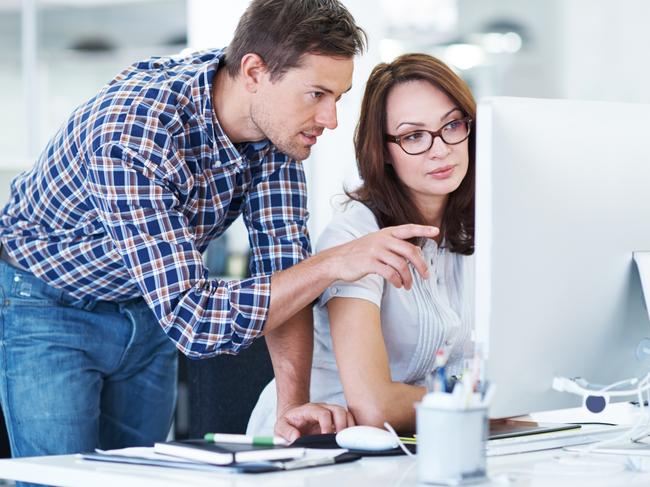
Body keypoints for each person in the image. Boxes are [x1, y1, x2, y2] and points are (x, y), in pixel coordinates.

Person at [0, 1, 439, 459]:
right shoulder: (134, 133)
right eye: (316, 95)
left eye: (338, 97)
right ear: (253, 72)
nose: (330, 119)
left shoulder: (277, 131)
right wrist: (331, 264)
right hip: (48, 302)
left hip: (147, 308)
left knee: (137, 475)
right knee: (60, 474)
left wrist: (290, 409)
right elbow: (195, 321)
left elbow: (285, 272)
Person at [248, 53, 476, 435]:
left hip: (414, 440)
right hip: (313, 441)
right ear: (384, 151)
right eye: (413, 136)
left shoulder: (475, 235)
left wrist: (479, 401)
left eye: (452, 125)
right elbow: (374, 406)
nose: (440, 149)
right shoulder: (354, 239)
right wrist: (485, 400)